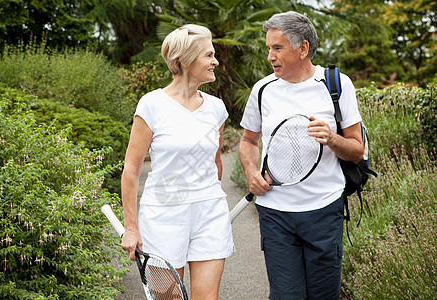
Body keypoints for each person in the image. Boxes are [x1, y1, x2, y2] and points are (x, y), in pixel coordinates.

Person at [239, 12, 364, 300]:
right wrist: (250, 173)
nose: (270, 56)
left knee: (323, 295)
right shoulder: (262, 89)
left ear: (303, 48)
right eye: (268, 48)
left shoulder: (336, 84)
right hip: (276, 213)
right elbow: (248, 140)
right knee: (286, 295)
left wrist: (332, 138)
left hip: (324, 210)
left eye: (277, 48)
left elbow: (357, 150)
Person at [121, 24, 234, 299]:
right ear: (185, 60)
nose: (215, 61)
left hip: (209, 214)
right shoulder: (152, 105)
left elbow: (215, 161)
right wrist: (131, 227)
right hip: (162, 217)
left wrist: (206, 198)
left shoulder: (216, 109)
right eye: (208, 55)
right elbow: (132, 170)